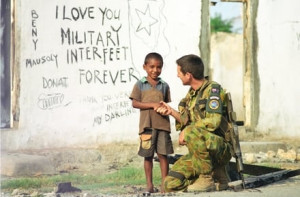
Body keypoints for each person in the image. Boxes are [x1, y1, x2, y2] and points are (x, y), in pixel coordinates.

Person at [156, 54, 232, 192]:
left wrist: (188, 130)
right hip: (201, 155)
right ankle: (216, 177)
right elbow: (187, 121)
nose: (177, 75)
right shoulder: (192, 95)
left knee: (191, 131)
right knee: (169, 184)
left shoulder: (213, 90)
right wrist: (171, 112)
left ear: (188, 75)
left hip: (220, 149)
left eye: (179, 72)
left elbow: (214, 121)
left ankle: (206, 179)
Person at [129, 52, 174, 193]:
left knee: (163, 155)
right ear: (145, 67)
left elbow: (165, 104)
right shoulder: (140, 85)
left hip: (163, 126)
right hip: (146, 126)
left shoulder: (164, 86)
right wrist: (152, 105)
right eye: (152, 67)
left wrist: (160, 107)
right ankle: (149, 184)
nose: (155, 70)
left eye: (158, 67)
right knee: (147, 156)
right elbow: (135, 103)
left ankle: (164, 184)